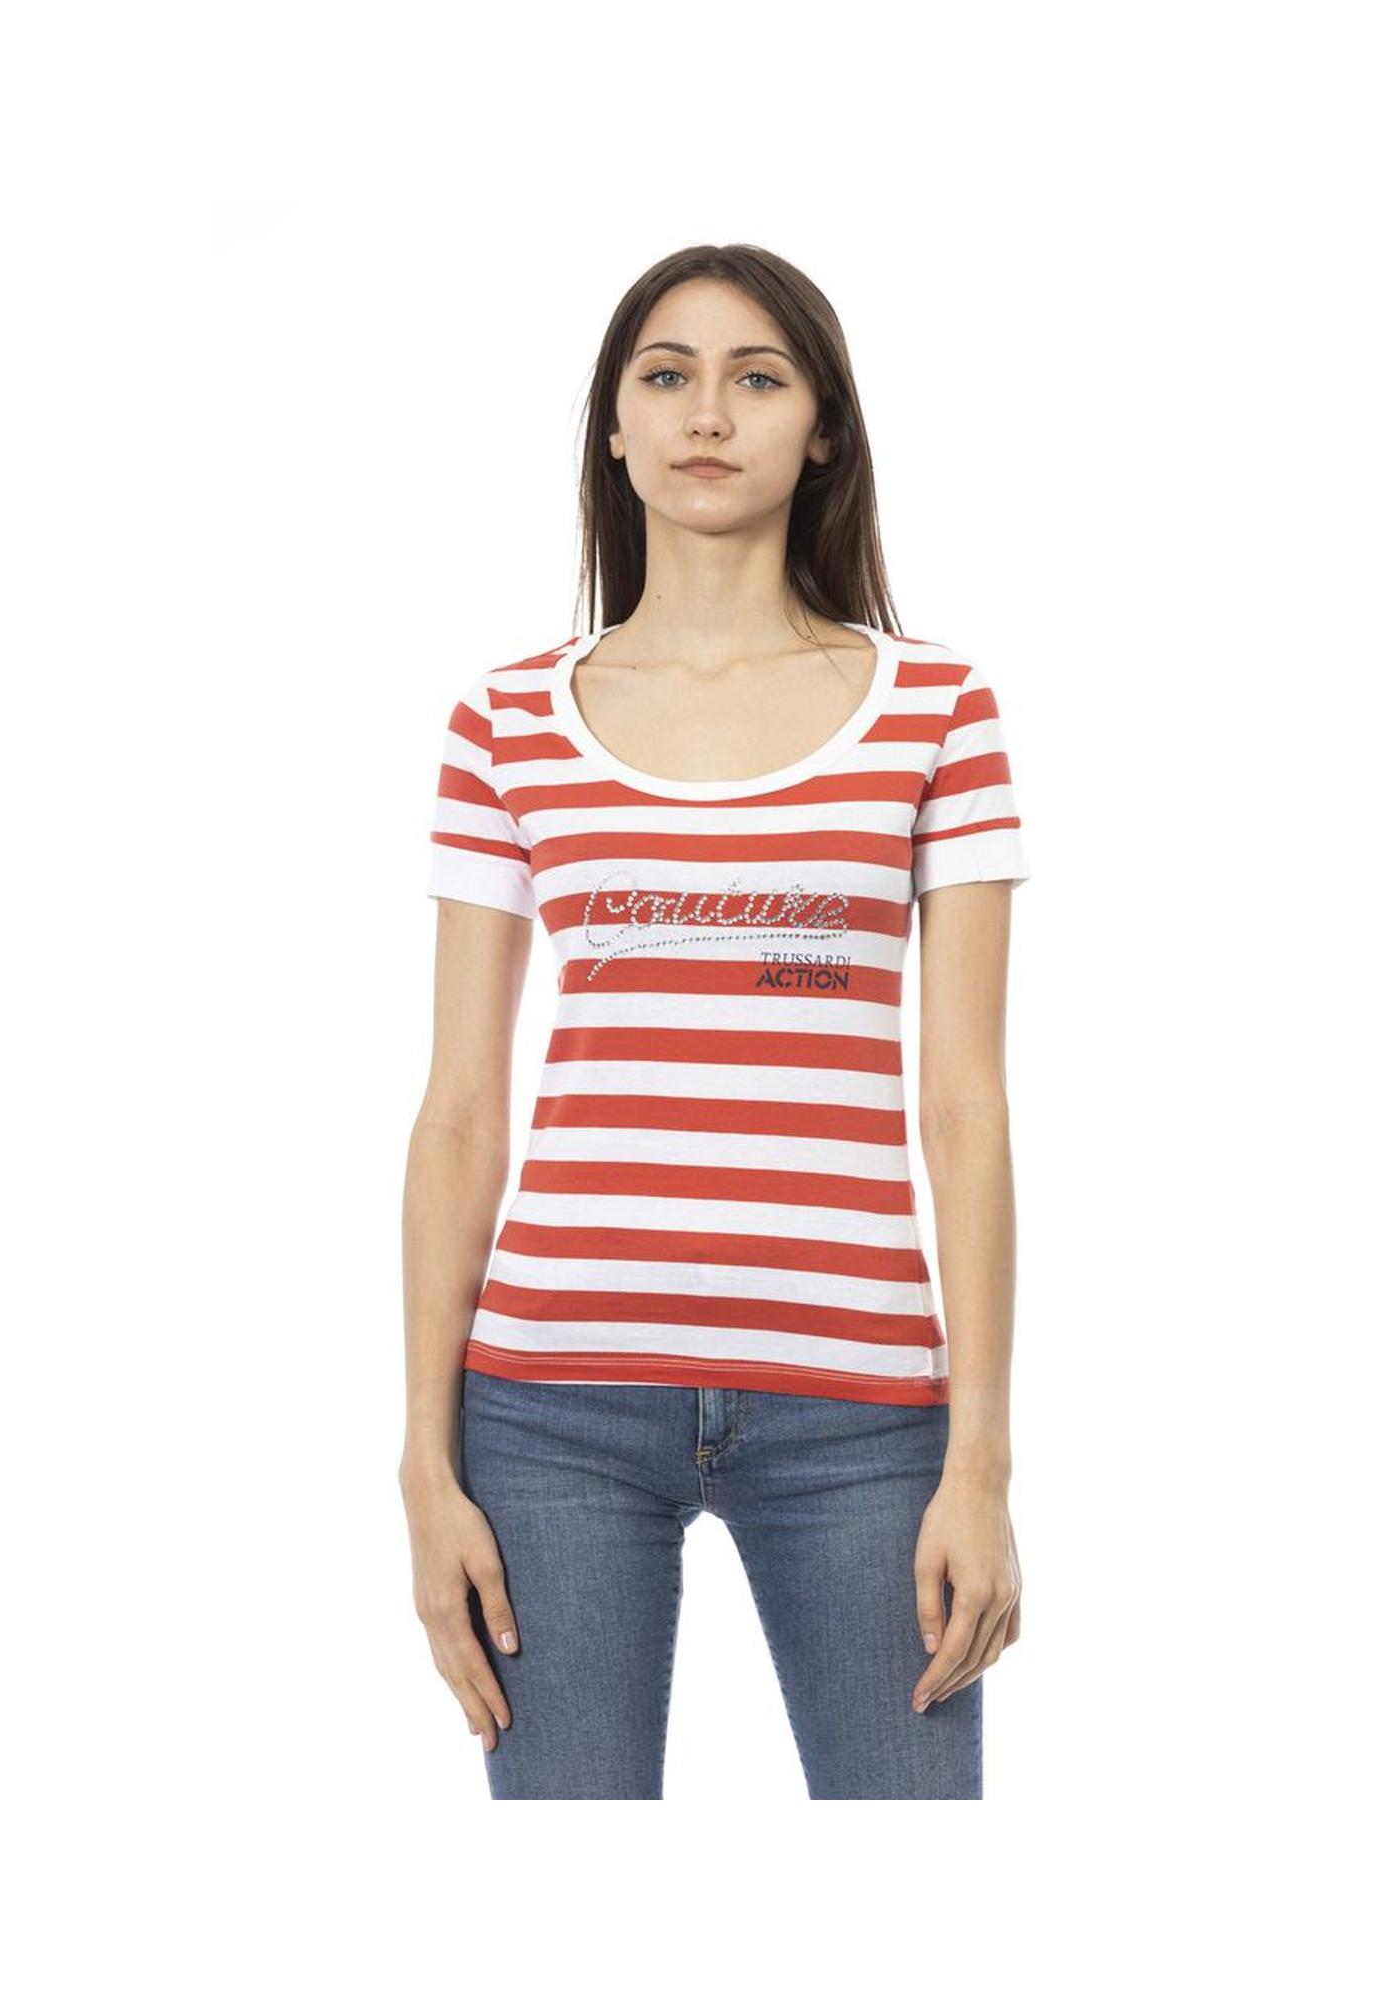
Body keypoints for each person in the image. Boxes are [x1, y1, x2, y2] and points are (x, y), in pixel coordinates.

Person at [400, 243, 1032, 1799]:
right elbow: (461, 1109)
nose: (707, 413)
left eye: (758, 377)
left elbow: (966, 1104)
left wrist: (981, 1457)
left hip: (862, 1414)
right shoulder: (504, 720)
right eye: (666, 375)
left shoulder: (937, 711)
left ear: (821, 431)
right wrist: (425, 1458)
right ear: (614, 427)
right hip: (550, 1408)